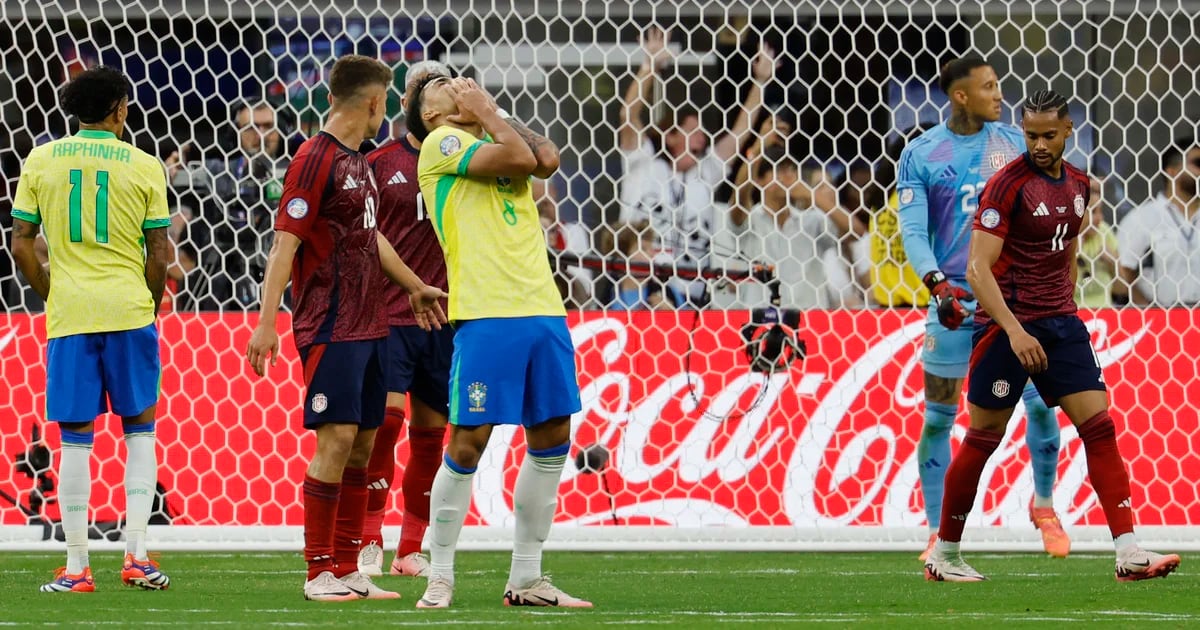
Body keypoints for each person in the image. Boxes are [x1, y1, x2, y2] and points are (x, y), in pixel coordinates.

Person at [925, 89, 1181, 582]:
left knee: (1100, 427)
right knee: (983, 438)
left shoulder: (1081, 184)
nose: (1039, 144)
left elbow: (1065, 251)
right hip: (1006, 328)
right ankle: (945, 553)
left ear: (1067, 131)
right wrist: (1016, 330)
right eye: (1030, 135)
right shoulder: (1006, 186)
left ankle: (1128, 552)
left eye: (1048, 134)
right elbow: (977, 269)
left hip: (1060, 325)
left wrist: (1063, 307)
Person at [245, 54, 447, 602]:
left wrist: (411, 284)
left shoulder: (359, 162)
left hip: (372, 323)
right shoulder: (314, 158)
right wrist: (266, 323)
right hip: (330, 322)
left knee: (361, 443)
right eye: (386, 101)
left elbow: (370, 236)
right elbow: (285, 241)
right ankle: (318, 574)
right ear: (377, 101)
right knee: (334, 442)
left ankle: (349, 566)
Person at [407, 74, 591, 608]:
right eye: (441, 84)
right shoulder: (443, 144)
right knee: (467, 443)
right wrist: (486, 112)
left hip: (541, 307)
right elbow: (521, 160)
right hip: (487, 312)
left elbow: (548, 158)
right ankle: (440, 573)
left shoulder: (487, 132)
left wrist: (489, 111)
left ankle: (527, 579)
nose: (456, 83)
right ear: (429, 113)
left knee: (552, 437)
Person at [897, 56, 1067, 561]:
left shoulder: (1017, 145)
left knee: (1040, 402)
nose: (1000, 94)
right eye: (989, 87)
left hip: (1011, 300)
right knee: (937, 417)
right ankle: (935, 531)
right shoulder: (922, 153)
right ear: (961, 96)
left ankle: (1044, 505)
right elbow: (911, 229)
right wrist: (936, 287)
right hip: (952, 297)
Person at [10, 65, 172, 592]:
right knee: (140, 432)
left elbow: (20, 244)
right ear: (120, 109)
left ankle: (78, 568)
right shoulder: (145, 166)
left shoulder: (41, 159)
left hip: (71, 316)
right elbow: (159, 253)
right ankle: (138, 558)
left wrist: (52, 291)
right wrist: (148, 302)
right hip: (128, 312)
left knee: (76, 442)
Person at [355, 59, 455, 580]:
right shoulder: (380, 161)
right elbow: (363, 231)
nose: (423, 97)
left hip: (445, 316)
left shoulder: (464, 161)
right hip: (390, 312)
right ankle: (370, 536)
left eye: (433, 88)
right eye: (417, 88)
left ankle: (410, 549)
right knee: (384, 425)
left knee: (431, 436)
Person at [618, 26, 775, 307]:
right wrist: (649, 68)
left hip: (689, 299)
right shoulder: (641, 165)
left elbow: (739, 134)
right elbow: (628, 115)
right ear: (671, 135)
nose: (703, 137)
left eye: (704, 132)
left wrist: (760, 83)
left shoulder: (704, 176)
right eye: (693, 130)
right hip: (636, 291)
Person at [1117, 136, 1200, 307]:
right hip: (1163, 320)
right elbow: (1123, 271)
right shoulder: (1141, 219)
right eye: (1197, 163)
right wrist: (1149, 312)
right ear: (1172, 171)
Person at [1076, 176, 1120, 308]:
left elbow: (1122, 290)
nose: (1100, 218)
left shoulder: (1104, 231)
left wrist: (1113, 264)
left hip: (1106, 314)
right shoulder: (1061, 238)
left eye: (1101, 211)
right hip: (1072, 316)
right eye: (1093, 212)